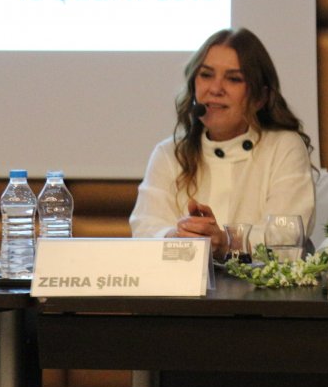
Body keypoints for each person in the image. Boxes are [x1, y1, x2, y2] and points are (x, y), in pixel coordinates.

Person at [130, 28, 316, 259]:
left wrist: (227, 243)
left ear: (260, 97)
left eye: (233, 79)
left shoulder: (284, 147)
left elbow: (286, 237)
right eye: (206, 75)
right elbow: (145, 227)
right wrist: (177, 237)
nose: (215, 89)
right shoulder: (170, 153)